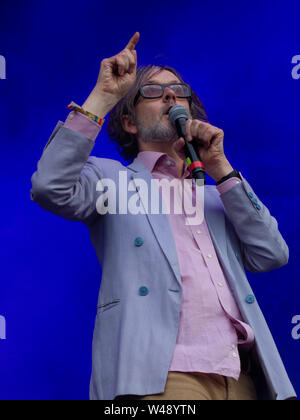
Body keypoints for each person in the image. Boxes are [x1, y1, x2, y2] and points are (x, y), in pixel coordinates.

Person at [30, 32, 296, 400]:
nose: (171, 96)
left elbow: (272, 253)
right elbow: (49, 186)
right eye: (153, 92)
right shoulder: (113, 179)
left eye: (179, 90)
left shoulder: (215, 192)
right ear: (130, 123)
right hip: (161, 374)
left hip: (240, 374)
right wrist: (103, 97)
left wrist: (220, 167)